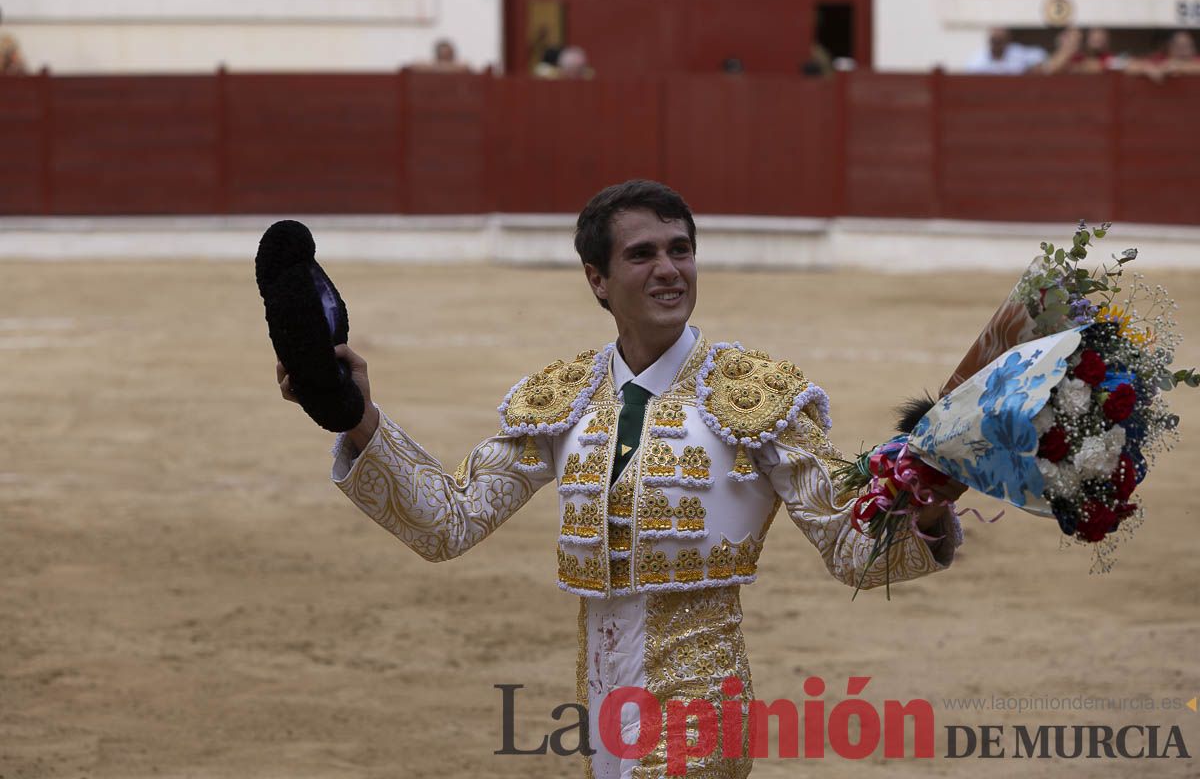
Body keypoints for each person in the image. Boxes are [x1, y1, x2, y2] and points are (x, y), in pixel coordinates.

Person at [276, 179, 963, 777]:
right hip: (601, 694)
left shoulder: (758, 398)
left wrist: (930, 495)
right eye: (643, 254)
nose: (669, 269)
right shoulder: (563, 396)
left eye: (681, 249)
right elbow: (448, 522)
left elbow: (851, 549)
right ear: (596, 279)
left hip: (701, 695)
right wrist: (358, 416)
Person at [964, 27, 1047, 74]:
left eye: (1000, 40)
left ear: (1007, 41)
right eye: (994, 40)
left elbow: (1040, 55)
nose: (997, 44)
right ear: (990, 41)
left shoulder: (1017, 53)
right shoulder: (978, 59)